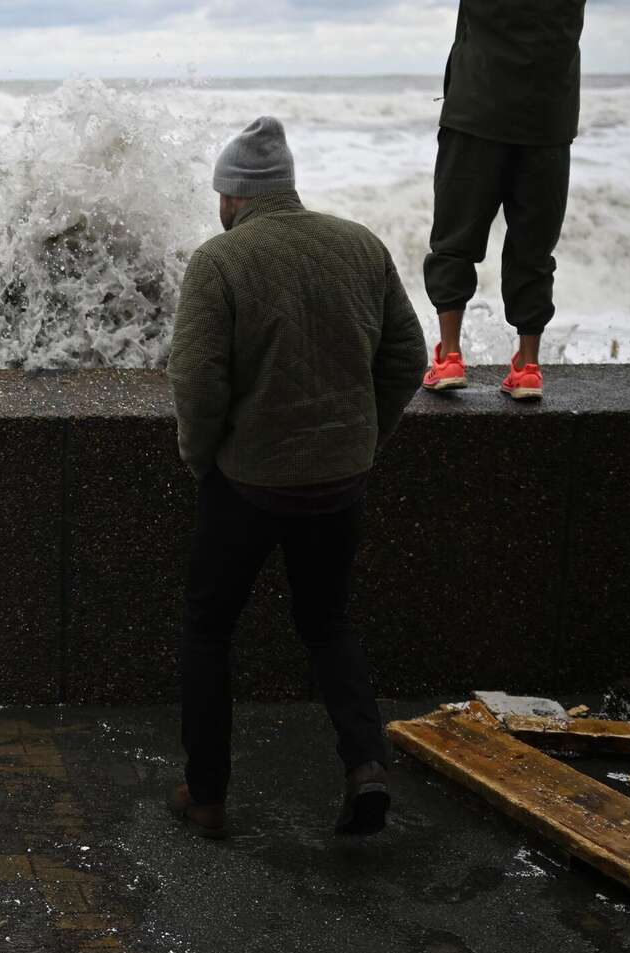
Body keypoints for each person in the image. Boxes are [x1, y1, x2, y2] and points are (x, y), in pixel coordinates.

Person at [167, 117, 428, 840]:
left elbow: (197, 383)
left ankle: (208, 794)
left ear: (233, 195)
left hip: (248, 485)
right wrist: (361, 437)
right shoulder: (359, 244)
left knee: (207, 630)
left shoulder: (219, 261)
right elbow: (408, 356)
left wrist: (202, 460)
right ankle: (365, 766)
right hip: (340, 481)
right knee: (328, 623)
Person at [421, 0, 587, 401]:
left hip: (476, 111)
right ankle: (528, 366)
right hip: (548, 118)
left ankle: (450, 356)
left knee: (455, 238)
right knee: (533, 246)